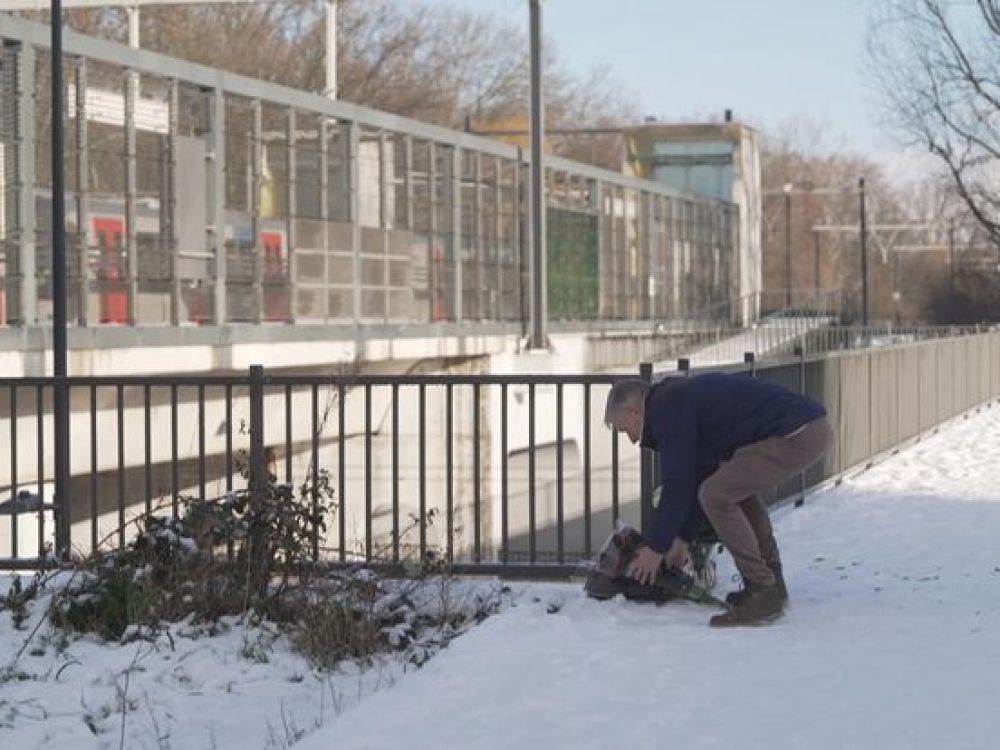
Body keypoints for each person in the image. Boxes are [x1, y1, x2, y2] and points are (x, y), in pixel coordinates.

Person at [604, 372, 832, 627]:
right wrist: (681, 538)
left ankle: (762, 589)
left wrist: (657, 548)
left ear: (634, 412)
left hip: (796, 434)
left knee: (716, 495)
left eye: (625, 429)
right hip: (808, 427)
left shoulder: (667, 409)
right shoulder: (675, 401)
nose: (632, 439)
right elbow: (699, 474)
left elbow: (678, 483)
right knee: (729, 490)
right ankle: (771, 585)